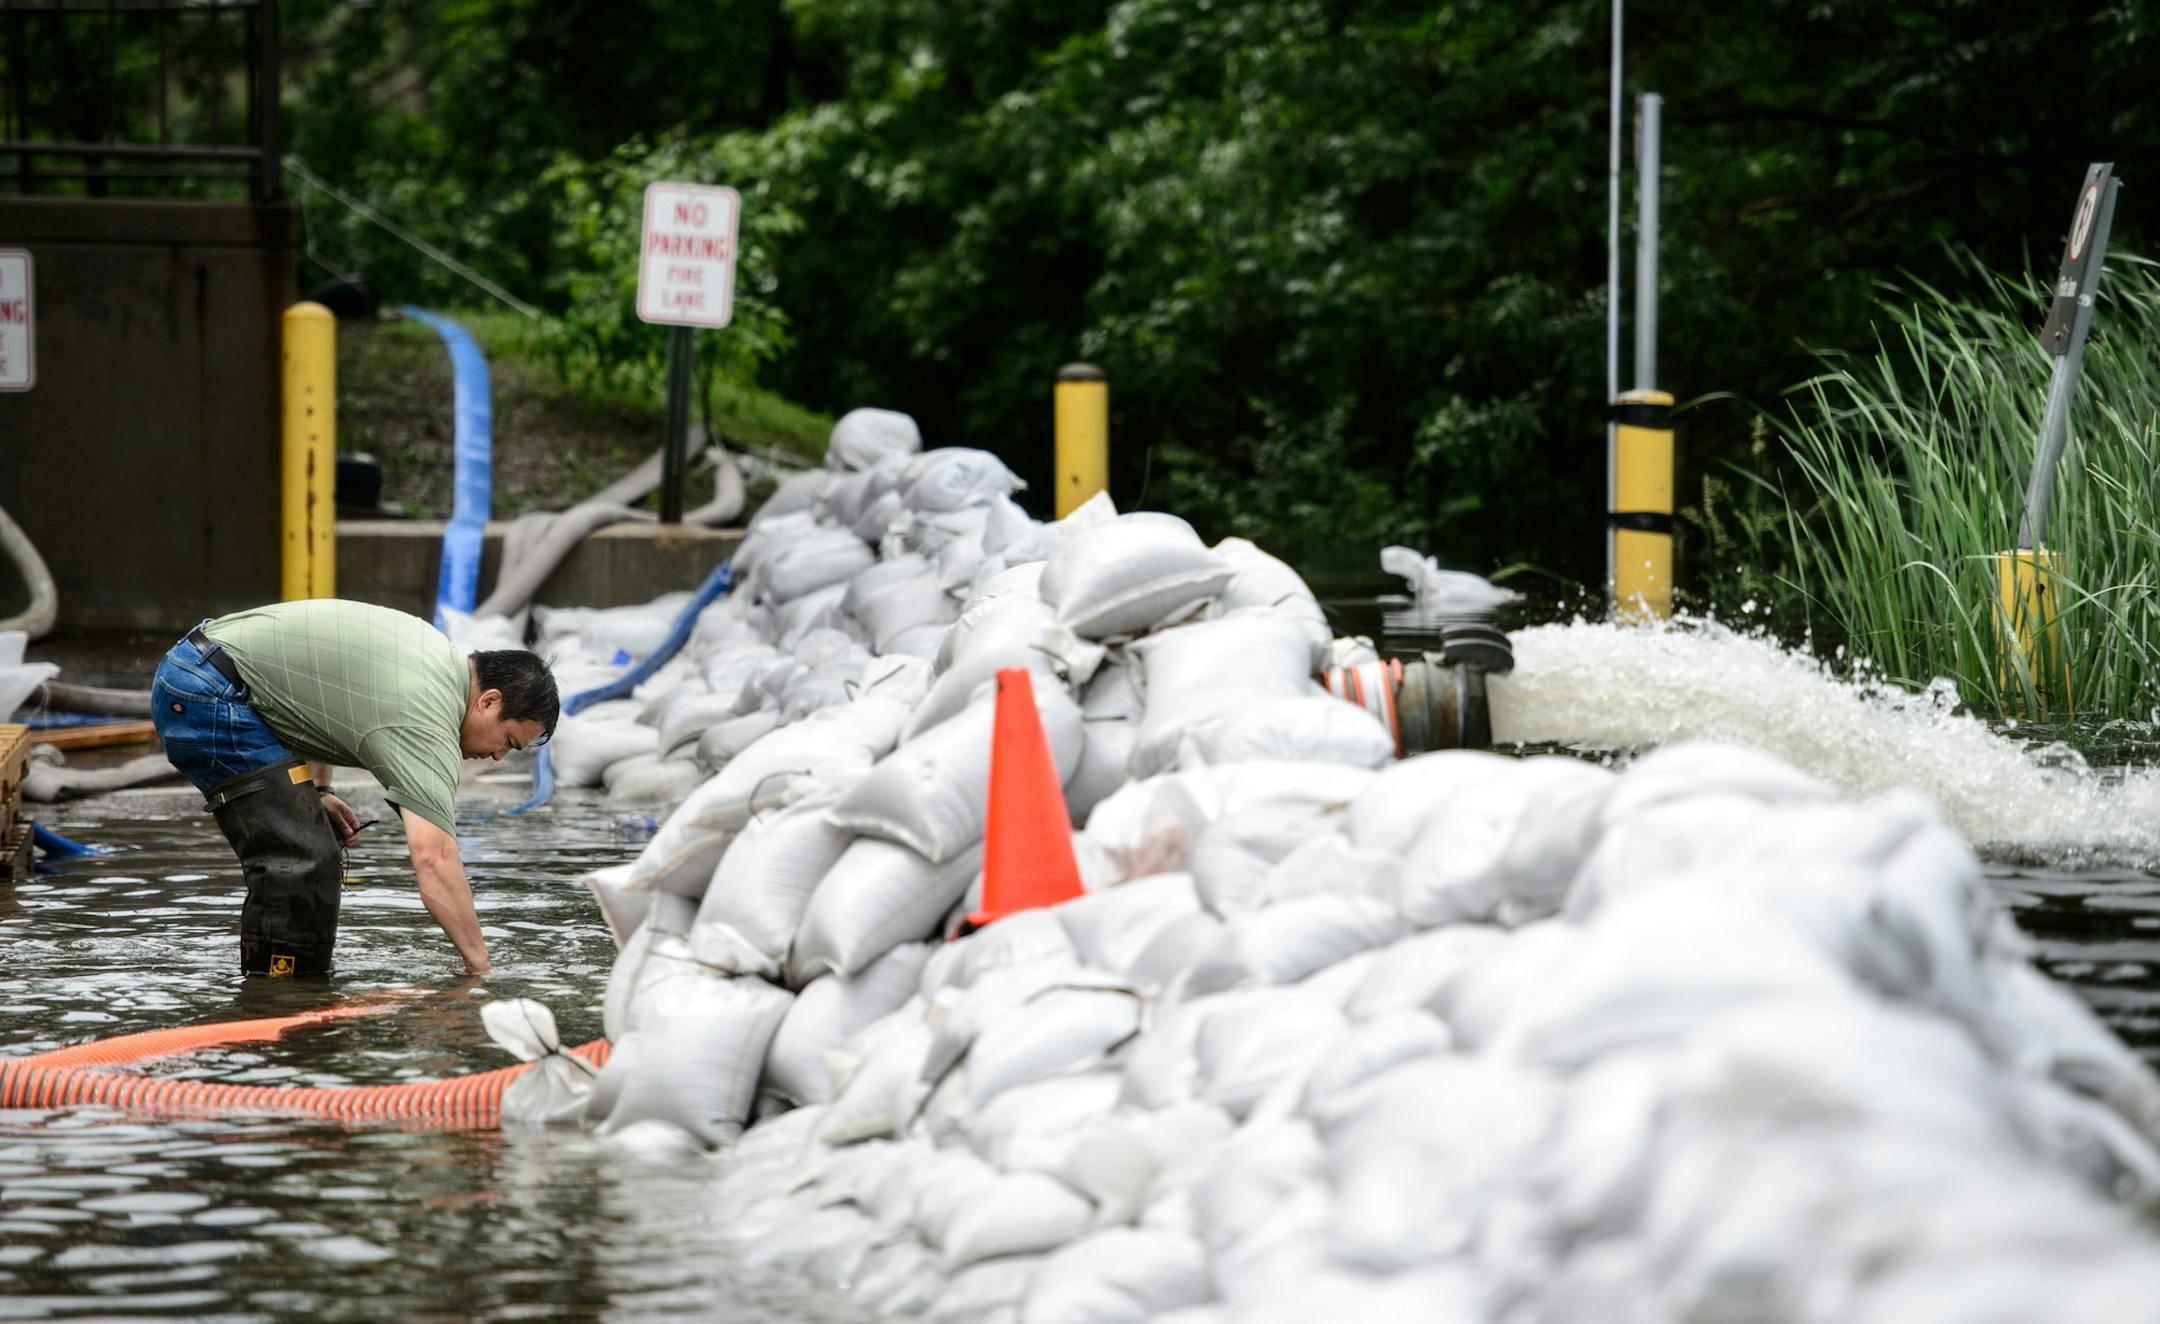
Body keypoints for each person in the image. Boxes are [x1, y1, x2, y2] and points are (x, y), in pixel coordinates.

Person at [148, 599, 559, 978]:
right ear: (488, 701)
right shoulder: (426, 720)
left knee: (311, 843)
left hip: (206, 666)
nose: (500, 757)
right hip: (206, 692)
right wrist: (481, 969)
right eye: (508, 741)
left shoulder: (433, 653)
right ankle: (278, 999)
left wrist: (319, 792)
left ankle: (286, 985)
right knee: (302, 858)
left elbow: (323, 701)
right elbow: (434, 859)